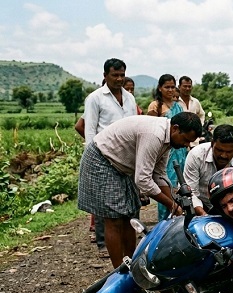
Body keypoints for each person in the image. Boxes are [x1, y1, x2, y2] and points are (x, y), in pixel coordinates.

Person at [77, 112, 202, 268]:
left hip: (122, 166)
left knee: (131, 214)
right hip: (102, 160)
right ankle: (119, 273)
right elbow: (143, 180)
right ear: (176, 128)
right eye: (185, 140)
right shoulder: (154, 135)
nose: (186, 145)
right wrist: (171, 205)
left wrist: (175, 201)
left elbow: (159, 174)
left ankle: (132, 265)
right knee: (114, 218)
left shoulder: (168, 139)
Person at [83, 60, 138, 258]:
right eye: (115, 75)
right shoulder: (95, 98)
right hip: (104, 160)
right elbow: (90, 131)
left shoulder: (129, 98)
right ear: (105, 75)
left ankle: (131, 258)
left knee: (129, 213)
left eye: (122, 75)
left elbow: (134, 128)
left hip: (127, 161)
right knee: (109, 215)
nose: (119, 79)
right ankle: (112, 258)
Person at [184, 124, 233, 216]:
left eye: (229, 152)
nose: (223, 155)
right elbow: (190, 192)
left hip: (228, 208)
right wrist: (204, 216)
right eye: (219, 150)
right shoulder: (196, 156)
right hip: (199, 205)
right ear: (212, 143)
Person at [147, 74, 187, 220]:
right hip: (165, 152)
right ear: (160, 88)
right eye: (167, 87)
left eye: (172, 87)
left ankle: (178, 218)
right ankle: (164, 220)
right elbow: (150, 129)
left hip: (180, 151)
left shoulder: (179, 106)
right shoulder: (155, 106)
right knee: (165, 184)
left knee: (179, 185)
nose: (170, 90)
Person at [176, 76, 205, 147]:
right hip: (179, 140)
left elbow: (202, 114)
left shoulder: (195, 101)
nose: (187, 89)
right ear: (179, 86)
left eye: (189, 86)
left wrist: (199, 127)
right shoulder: (175, 102)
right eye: (185, 86)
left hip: (194, 141)